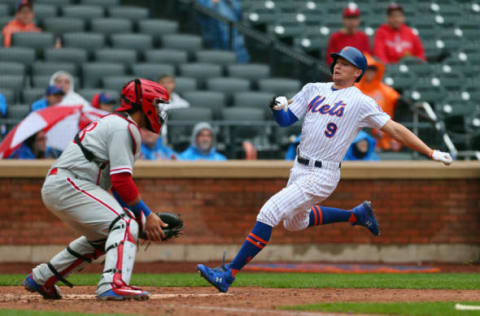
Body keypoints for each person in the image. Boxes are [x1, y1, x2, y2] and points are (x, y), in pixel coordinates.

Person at [197, 46, 452, 293]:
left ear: (358, 73)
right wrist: (277, 108)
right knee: (295, 223)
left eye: (345, 63)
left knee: (269, 211)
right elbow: (286, 120)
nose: (338, 66)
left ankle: (228, 273)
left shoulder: (360, 102)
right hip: (299, 167)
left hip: (323, 173)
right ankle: (356, 215)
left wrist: (429, 151)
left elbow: (394, 129)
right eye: (337, 62)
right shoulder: (312, 89)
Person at [23, 78, 171, 300]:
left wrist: (141, 220)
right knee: (123, 224)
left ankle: (44, 277)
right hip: (70, 183)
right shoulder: (125, 127)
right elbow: (121, 181)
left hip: (65, 184)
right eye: (156, 104)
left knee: (108, 235)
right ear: (144, 103)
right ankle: (113, 283)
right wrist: (146, 216)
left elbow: (119, 189)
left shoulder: (119, 124)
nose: (159, 110)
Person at [356, 54, 402, 151]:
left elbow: (399, 107)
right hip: (358, 137)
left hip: (383, 137)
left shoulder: (386, 90)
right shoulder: (355, 88)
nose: (370, 73)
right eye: (368, 69)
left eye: (373, 70)